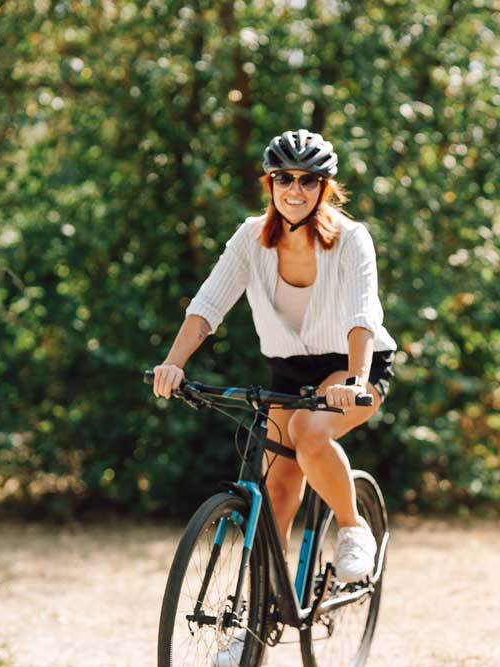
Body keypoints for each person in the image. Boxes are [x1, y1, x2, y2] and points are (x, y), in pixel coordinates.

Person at [151, 130, 396, 663]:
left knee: (311, 437)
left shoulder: (352, 239)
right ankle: (257, 620)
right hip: (288, 369)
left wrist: (354, 381)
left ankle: (353, 530)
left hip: (355, 362)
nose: (295, 188)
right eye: (284, 177)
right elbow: (209, 303)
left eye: (308, 180)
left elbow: (362, 315)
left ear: (324, 187)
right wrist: (174, 363)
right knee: (276, 498)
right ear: (270, 182)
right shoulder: (250, 238)